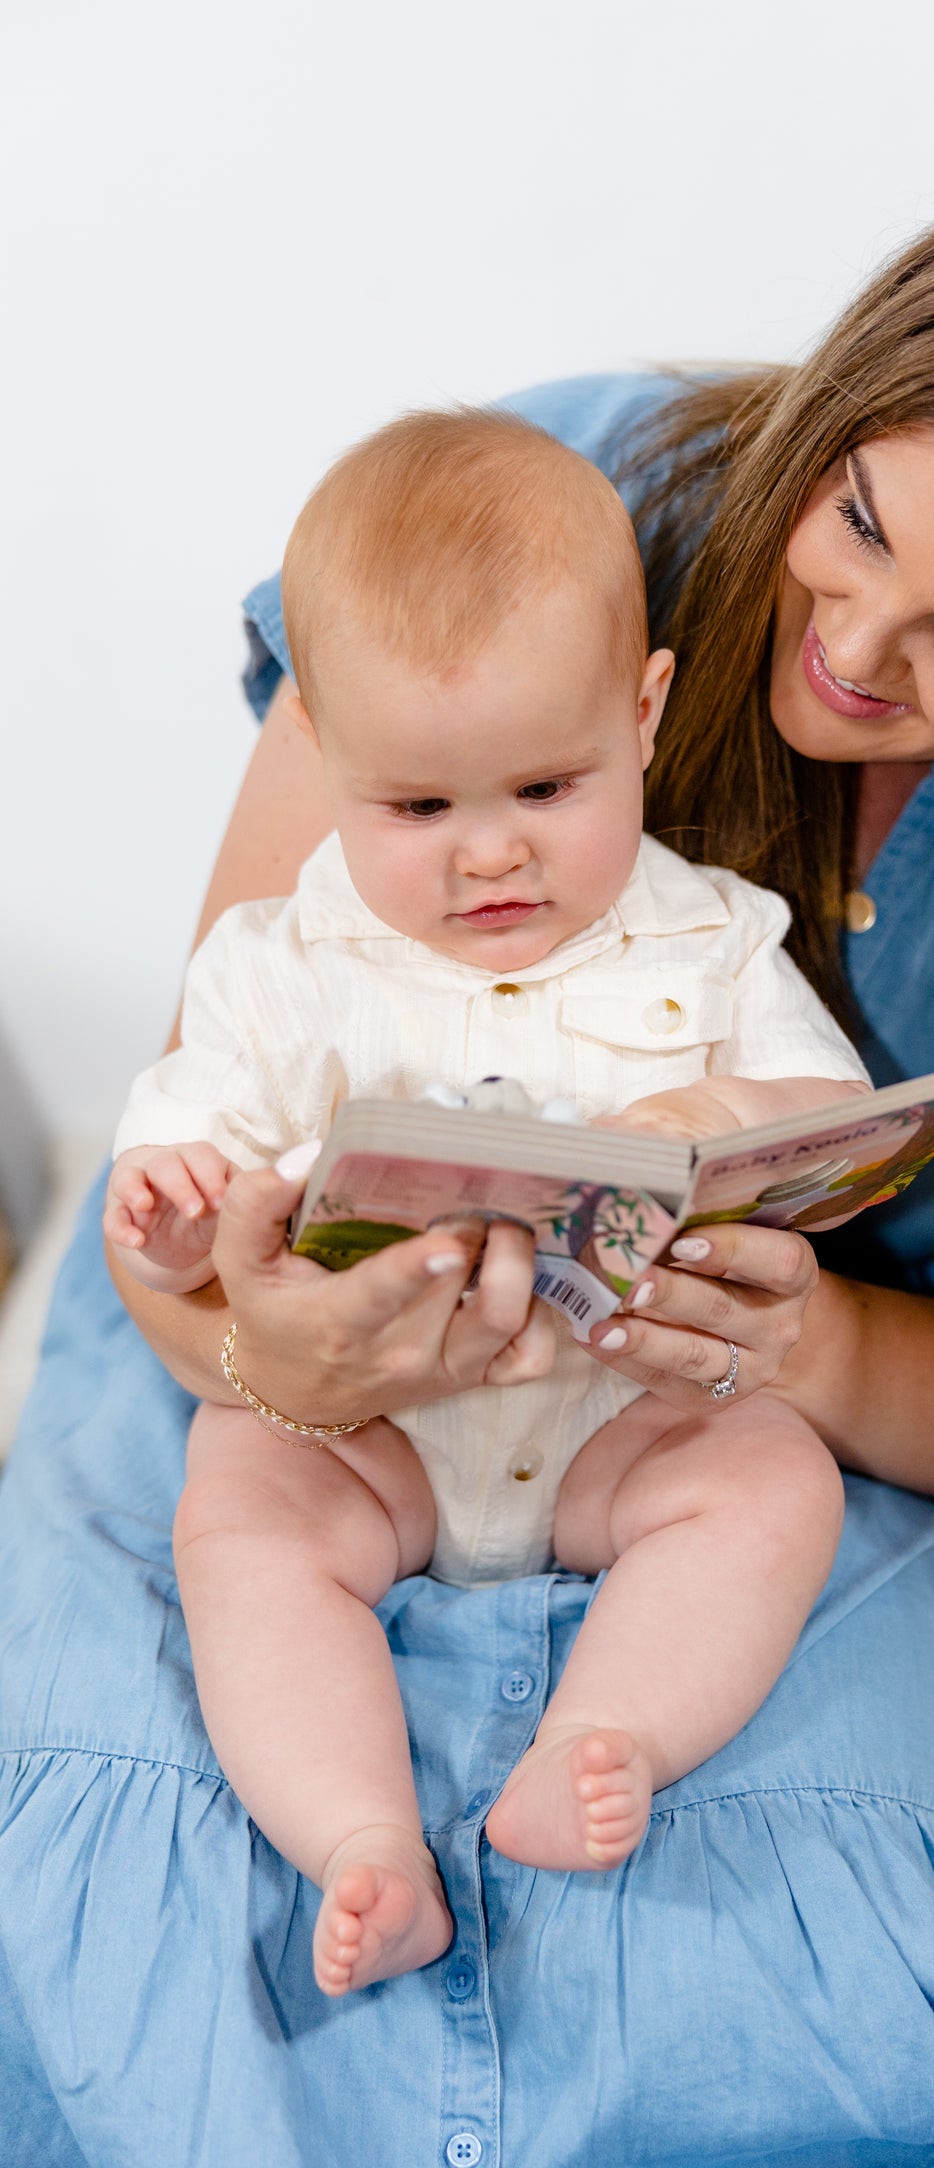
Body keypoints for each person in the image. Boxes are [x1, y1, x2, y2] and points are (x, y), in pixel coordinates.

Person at [2, 165, 934, 2166]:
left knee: (733, 1961)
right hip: (269, 1362)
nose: (850, 644)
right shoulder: (545, 518)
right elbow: (215, 1099)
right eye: (853, 521)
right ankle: (353, 1828)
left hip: (749, 1412)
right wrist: (273, 1351)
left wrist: (818, 1355)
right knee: (131, 1906)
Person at [105, 406, 868, 1992]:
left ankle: (609, 1734)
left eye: (544, 784)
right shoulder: (274, 961)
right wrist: (177, 1213)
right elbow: (184, 1148)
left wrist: (729, 1112)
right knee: (239, 1519)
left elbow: (828, 1127)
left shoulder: (715, 939)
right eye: (418, 810)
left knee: (774, 1483)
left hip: (617, 1425)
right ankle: (358, 1837)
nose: (489, 857)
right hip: (359, 1438)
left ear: (644, 714)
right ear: (316, 748)